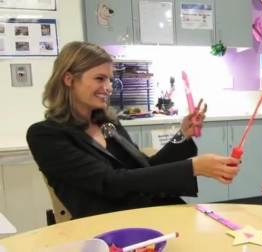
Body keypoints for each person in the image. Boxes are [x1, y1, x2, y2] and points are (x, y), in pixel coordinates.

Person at [26, 41, 241, 219]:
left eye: (110, 79)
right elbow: (112, 182)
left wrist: (182, 134)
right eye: (99, 78)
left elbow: (144, 168)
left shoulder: (108, 124)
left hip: (152, 216)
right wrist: (193, 167)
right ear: (69, 79)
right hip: (113, 231)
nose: (108, 88)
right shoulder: (45, 136)